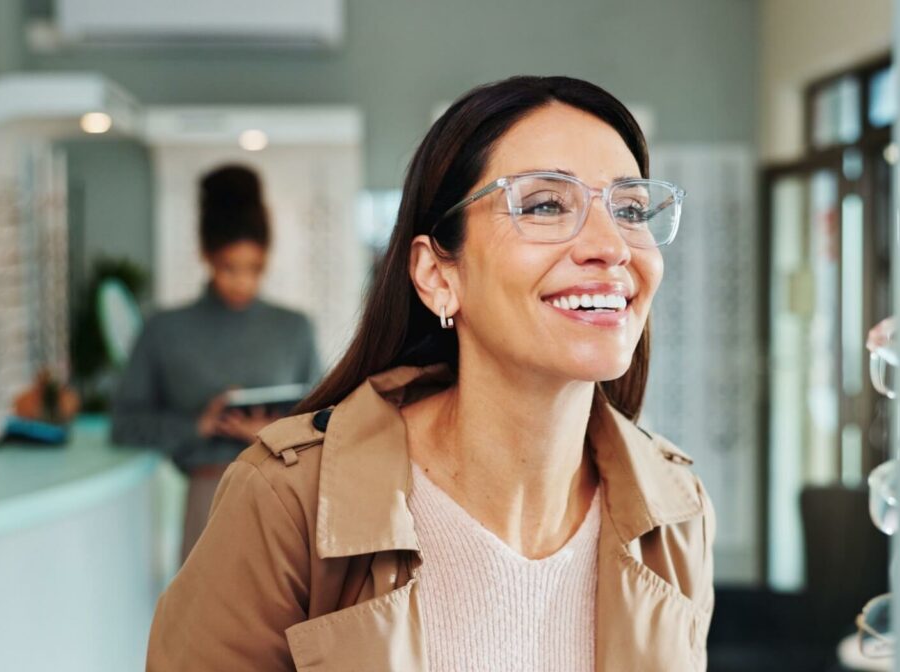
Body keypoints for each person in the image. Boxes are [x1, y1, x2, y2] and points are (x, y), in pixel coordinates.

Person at [146, 77, 715, 671]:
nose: (612, 246)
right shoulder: (286, 501)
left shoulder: (679, 514)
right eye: (546, 205)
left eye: (630, 210)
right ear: (437, 275)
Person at [111, 164, 321, 562]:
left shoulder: (294, 329)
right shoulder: (165, 330)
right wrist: (198, 425)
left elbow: (326, 425)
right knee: (203, 602)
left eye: (254, 268)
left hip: (285, 498)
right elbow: (124, 425)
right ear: (206, 256)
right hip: (206, 498)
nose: (243, 282)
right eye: (229, 268)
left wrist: (271, 433)